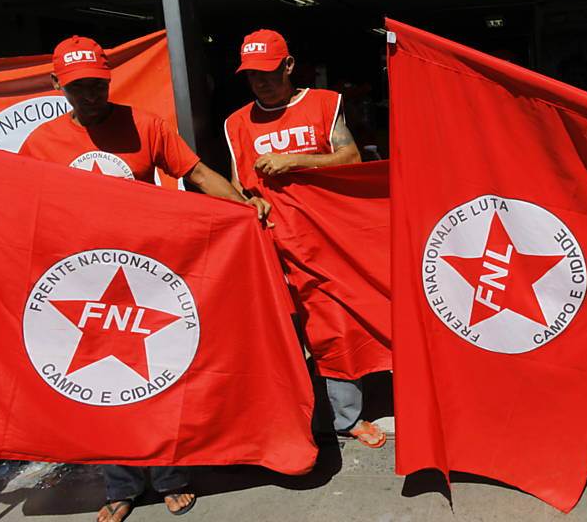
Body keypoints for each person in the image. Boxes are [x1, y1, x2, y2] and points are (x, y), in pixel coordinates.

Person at [20, 35, 272, 522]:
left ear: (109, 80)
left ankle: (171, 476)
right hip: (81, 285)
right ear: (56, 85)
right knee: (104, 388)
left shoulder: (144, 124)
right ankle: (120, 484)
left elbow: (196, 173)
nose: (91, 97)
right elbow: (21, 207)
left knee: (157, 377)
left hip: (147, 276)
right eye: (78, 89)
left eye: (98, 86)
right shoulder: (40, 143)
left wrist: (243, 208)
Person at [223, 29, 386, 448]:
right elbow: (235, 184)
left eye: (269, 72)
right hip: (271, 244)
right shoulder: (236, 122)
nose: (261, 82)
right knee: (280, 335)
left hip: (326, 239)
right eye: (252, 75)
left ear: (289, 65)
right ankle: (288, 417)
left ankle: (345, 418)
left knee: (335, 326)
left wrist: (295, 161)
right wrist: (248, 204)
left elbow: (349, 158)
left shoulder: (324, 103)